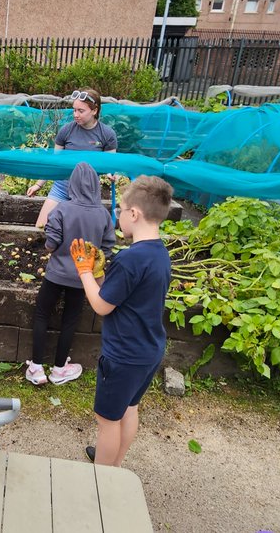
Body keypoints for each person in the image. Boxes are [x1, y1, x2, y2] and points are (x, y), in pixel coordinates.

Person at [70, 175, 174, 467]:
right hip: (149, 349)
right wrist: (100, 273)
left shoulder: (130, 259)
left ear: (134, 214)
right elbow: (120, 294)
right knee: (129, 408)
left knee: (106, 420)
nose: (118, 216)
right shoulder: (159, 254)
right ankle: (114, 465)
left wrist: (84, 271)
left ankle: (102, 478)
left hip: (124, 355)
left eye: (120, 210)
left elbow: (101, 305)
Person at [25, 161, 115, 386]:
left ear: (72, 184)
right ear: (96, 185)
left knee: (42, 315)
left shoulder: (62, 209)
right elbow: (106, 249)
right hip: (82, 279)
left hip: (55, 274)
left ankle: (36, 368)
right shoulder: (103, 214)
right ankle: (59, 370)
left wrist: (54, 245)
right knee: (70, 320)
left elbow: (51, 244)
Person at [25, 88, 118, 228]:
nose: (75, 114)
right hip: (62, 188)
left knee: (85, 233)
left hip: (88, 193)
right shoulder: (66, 130)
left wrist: (111, 174)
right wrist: (38, 184)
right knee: (42, 227)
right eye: (74, 110)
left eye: (81, 111)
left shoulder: (107, 134)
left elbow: (111, 164)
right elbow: (54, 163)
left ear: (94, 110)